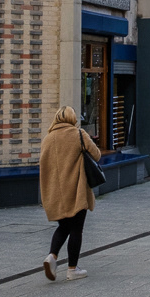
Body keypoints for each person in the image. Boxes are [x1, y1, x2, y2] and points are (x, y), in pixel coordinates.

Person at [40, 105, 102, 282]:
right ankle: (72, 269)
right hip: (76, 190)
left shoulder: (48, 139)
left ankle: (52, 256)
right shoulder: (78, 134)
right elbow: (96, 155)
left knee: (64, 226)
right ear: (72, 118)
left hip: (56, 192)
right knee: (76, 228)